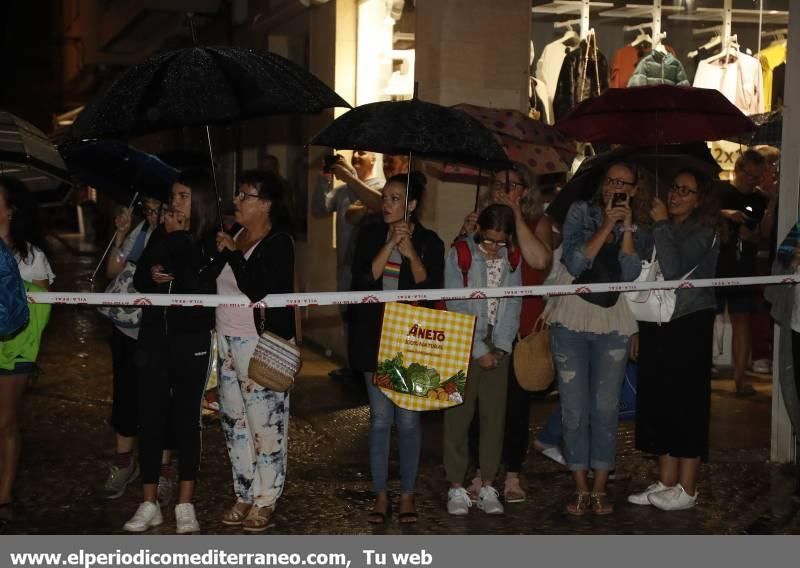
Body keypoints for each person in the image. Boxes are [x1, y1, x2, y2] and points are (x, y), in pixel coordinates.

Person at [544, 162, 651, 516]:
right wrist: (606, 224)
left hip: (614, 320)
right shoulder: (580, 211)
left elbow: (632, 272)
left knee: (606, 408)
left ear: (634, 190)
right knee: (574, 409)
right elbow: (575, 263)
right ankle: (579, 487)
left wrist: (628, 227)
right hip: (572, 315)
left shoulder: (638, 221)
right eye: (610, 181)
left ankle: (601, 487)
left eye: (624, 183)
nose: (615, 187)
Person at [125, 169, 218, 534]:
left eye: (183, 196)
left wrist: (180, 240)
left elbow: (199, 284)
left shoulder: (210, 238)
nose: (175, 203)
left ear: (198, 201)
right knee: (150, 415)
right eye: (174, 196)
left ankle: (185, 503)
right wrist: (154, 274)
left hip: (190, 337)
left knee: (185, 418)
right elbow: (140, 278)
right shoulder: (160, 233)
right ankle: (149, 502)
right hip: (153, 336)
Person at [350, 172, 444, 524]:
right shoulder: (370, 233)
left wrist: (409, 254)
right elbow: (363, 279)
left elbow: (431, 287)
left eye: (394, 198)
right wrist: (389, 245)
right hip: (374, 337)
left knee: (407, 422)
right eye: (385, 197)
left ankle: (407, 494)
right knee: (379, 420)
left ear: (413, 205)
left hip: (411, 342)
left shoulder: (430, 241)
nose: (386, 204)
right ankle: (380, 496)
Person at [458, 166, 552, 503]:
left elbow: (540, 260)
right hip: (480, 325)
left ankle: (512, 473)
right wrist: (467, 231)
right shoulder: (481, 220)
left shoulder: (536, 222)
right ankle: (481, 471)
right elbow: (458, 264)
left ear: (525, 191)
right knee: (477, 404)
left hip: (518, 328)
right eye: (497, 184)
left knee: (514, 405)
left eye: (510, 185)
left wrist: (514, 215)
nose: (502, 190)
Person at [627, 170, 719, 511]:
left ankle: (688, 487)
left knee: (688, 402)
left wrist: (663, 226)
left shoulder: (705, 232)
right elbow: (644, 272)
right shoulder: (656, 229)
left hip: (689, 323)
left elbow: (676, 266)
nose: (676, 194)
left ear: (699, 199)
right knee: (658, 399)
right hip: (656, 321)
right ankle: (665, 481)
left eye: (685, 190)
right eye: (674, 187)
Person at [210, 170, 296, 532]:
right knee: (234, 423)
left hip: (260, 344)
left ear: (266, 204)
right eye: (238, 194)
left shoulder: (279, 242)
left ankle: (266, 498)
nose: (237, 201)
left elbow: (259, 288)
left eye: (245, 195)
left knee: (266, 426)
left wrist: (234, 256)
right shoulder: (235, 235)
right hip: (226, 340)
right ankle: (244, 492)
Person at [444, 204, 522, 516]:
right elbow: (456, 302)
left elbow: (514, 302)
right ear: (478, 232)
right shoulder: (460, 254)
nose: (492, 250)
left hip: (498, 340)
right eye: (487, 242)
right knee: (458, 417)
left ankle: (488, 483)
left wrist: (501, 346)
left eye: (500, 243)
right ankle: (455, 486)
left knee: (494, 416)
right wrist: (480, 350)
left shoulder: (511, 259)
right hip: (465, 340)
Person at [98, 197, 177, 502]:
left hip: (161, 333)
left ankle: (163, 469)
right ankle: (123, 464)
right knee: (126, 397)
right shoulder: (140, 230)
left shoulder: (179, 234)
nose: (154, 214)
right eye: (150, 208)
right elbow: (111, 270)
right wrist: (121, 235)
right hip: (125, 331)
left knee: (163, 401)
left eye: (161, 208)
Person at [0, 177, 54, 527]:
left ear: (10, 210)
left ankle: (3, 495)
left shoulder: (31, 256)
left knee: (4, 421)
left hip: (16, 350)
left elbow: (45, 304)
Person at [312, 151, 384, 382]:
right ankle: (353, 367)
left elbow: (374, 206)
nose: (355, 157)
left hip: (368, 267)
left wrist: (352, 177)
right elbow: (320, 208)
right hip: (345, 264)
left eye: (362, 153)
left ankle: (364, 369)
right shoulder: (342, 190)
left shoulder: (380, 187)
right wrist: (325, 177)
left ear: (374, 159)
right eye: (352, 153)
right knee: (347, 315)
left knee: (365, 317)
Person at [715, 150, 768, 396]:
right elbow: (700, 216)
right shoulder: (719, 192)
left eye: (756, 177)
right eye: (749, 175)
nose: (752, 181)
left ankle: (739, 379)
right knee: (706, 320)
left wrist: (752, 236)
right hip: (715, 264)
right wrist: (725, 215)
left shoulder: (762, 199)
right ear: (737, 169)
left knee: (742, 321)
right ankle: (701, 373)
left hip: (743, 264)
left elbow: (765, 234)